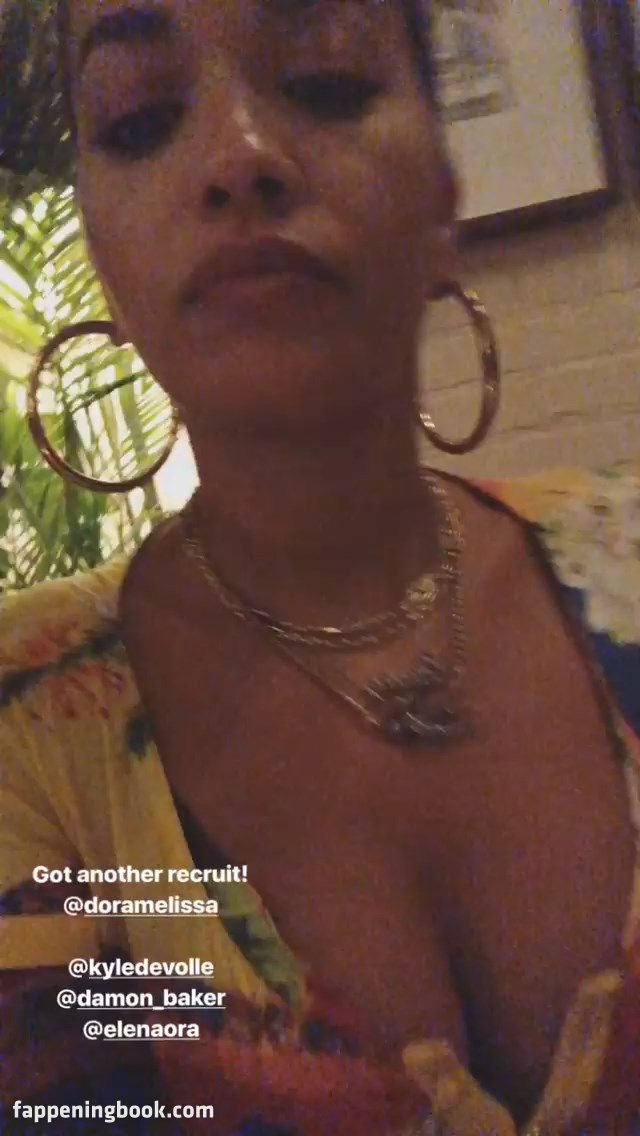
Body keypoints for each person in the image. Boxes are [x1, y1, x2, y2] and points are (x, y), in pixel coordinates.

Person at [1, 1, 639, 1133]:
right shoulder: (24, 721)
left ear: (444, 201)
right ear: (100, 255)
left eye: (328, 82)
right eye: (141, 118)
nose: (237, 157)